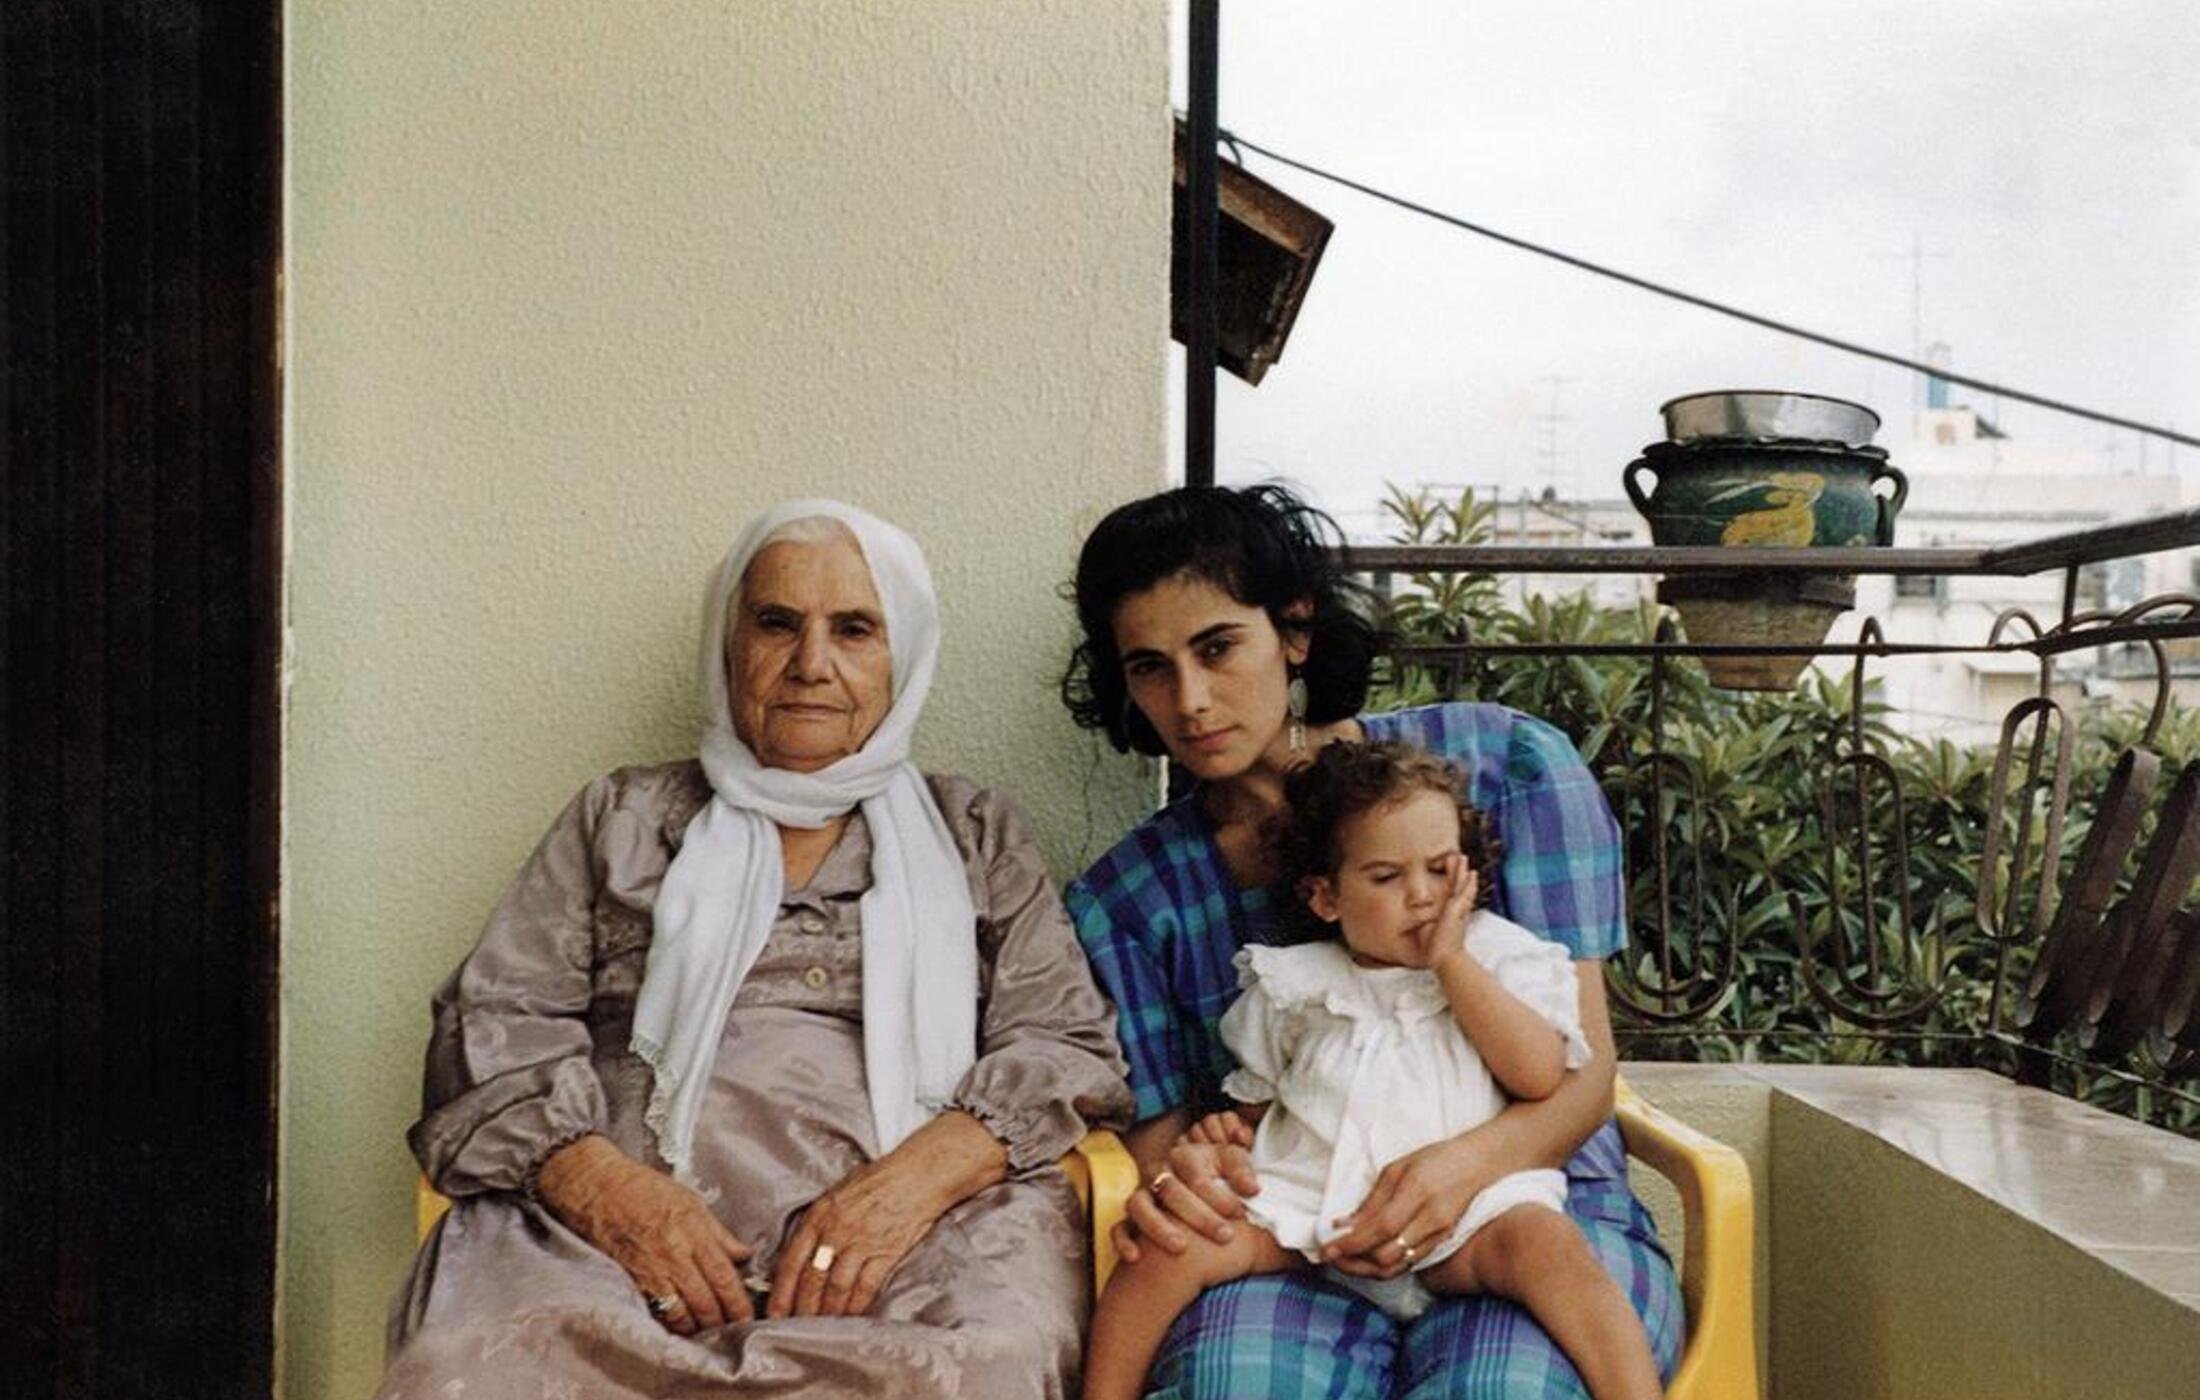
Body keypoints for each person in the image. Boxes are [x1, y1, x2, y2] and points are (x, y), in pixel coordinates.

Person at [377, 500, 1133, 1399]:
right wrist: (603, 1191)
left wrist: (903, 1192)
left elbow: (1063, 1044)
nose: (812, 665)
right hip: (617, 1238)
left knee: (988, 1359)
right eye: (777, 623)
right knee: (474, 1359)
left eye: (855, 629)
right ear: (728, 644)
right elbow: (495, 1016)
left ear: (905, 657)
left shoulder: (972, 834)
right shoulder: (619, 818)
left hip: (918, 1230)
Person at [1060, 484, 1683, 1398]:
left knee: (1506, 1390)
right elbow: (1165, 1139)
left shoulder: (1504, 769)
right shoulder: (1128, 900)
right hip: (1299, 1223)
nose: (1190, 701)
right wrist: (1195, 1162)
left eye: (1218, 647)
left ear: (1296, 632)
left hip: (1529, 1197)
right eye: (1150, 668)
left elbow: (1580, 1074)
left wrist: (1460, 1169)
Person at [1083, 741, 1662, 1400]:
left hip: (1468, 1220)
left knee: (1556, 1254)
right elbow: (1257, 1102)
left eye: (1441, 869)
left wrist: (1453, 965)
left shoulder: (1500, 959)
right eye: (1386, 878)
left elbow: (1538, 1075)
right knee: (1164, 1253)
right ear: (1325, 896)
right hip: (1309, 1214)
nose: (1421, 896)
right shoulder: (1294, 985)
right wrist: (1223, 1136)